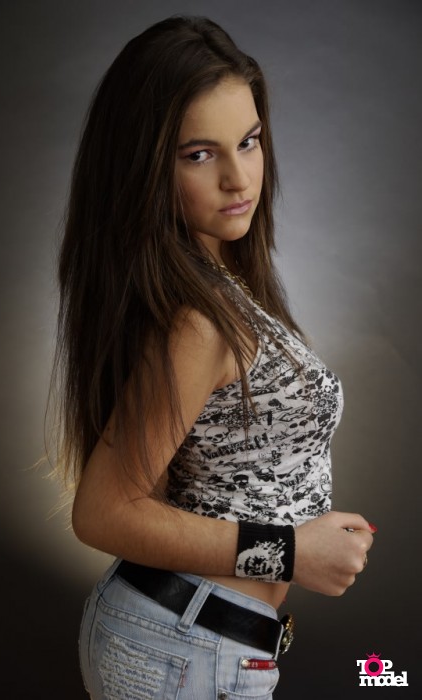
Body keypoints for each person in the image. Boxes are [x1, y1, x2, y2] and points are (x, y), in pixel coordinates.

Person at [50, 14, 375, 699]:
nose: (238, 177)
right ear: (144, 167)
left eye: (248, 142)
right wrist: (291, 552)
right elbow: (103, 512)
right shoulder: (197, 320)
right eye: (198, 154)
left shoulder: (216, 287)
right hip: (184, 648)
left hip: (195, 641)